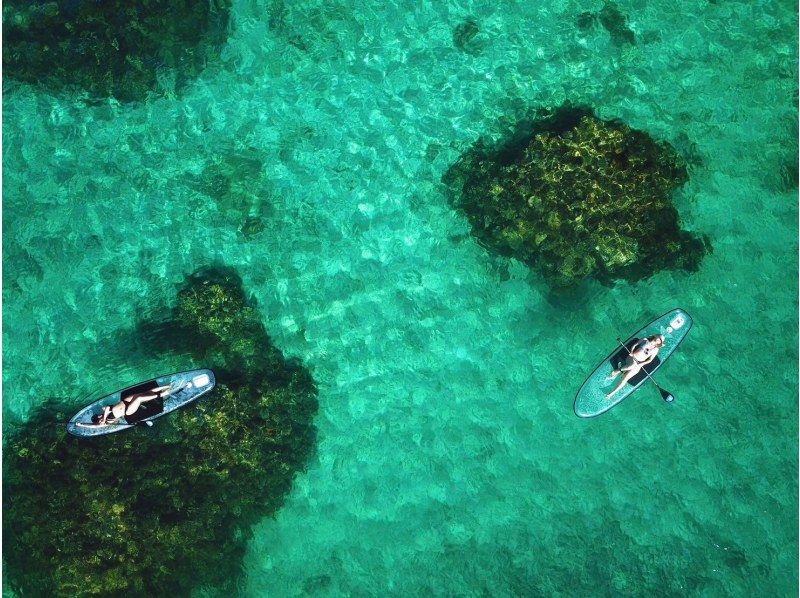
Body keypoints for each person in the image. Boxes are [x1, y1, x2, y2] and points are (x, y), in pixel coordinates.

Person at [76, 384, 178, 427]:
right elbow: (94, 427)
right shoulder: (105, 422)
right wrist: (82, 425)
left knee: (143, 393)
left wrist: (104, 415)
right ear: (97, 421)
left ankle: (169, 386)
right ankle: (162, 394)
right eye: (97, 417)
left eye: (97, 415)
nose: (99, 416)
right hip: (128, 410)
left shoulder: (105, 413)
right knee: (139, 398)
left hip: (125, 402)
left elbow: (107, 408)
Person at [605, 335, 665, 399]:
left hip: (639, 364)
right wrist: (631, 352)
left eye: (660, 340)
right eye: (659, 337)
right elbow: (634, 345)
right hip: (631, 358)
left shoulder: (656, 350)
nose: (659, 340)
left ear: (660, 343)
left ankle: (611, 394)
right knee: (632, 365)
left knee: (625, 379)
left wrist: (641, 364)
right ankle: (617, 371)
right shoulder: (645, 340)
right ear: (656, 336)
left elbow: (650, 360)